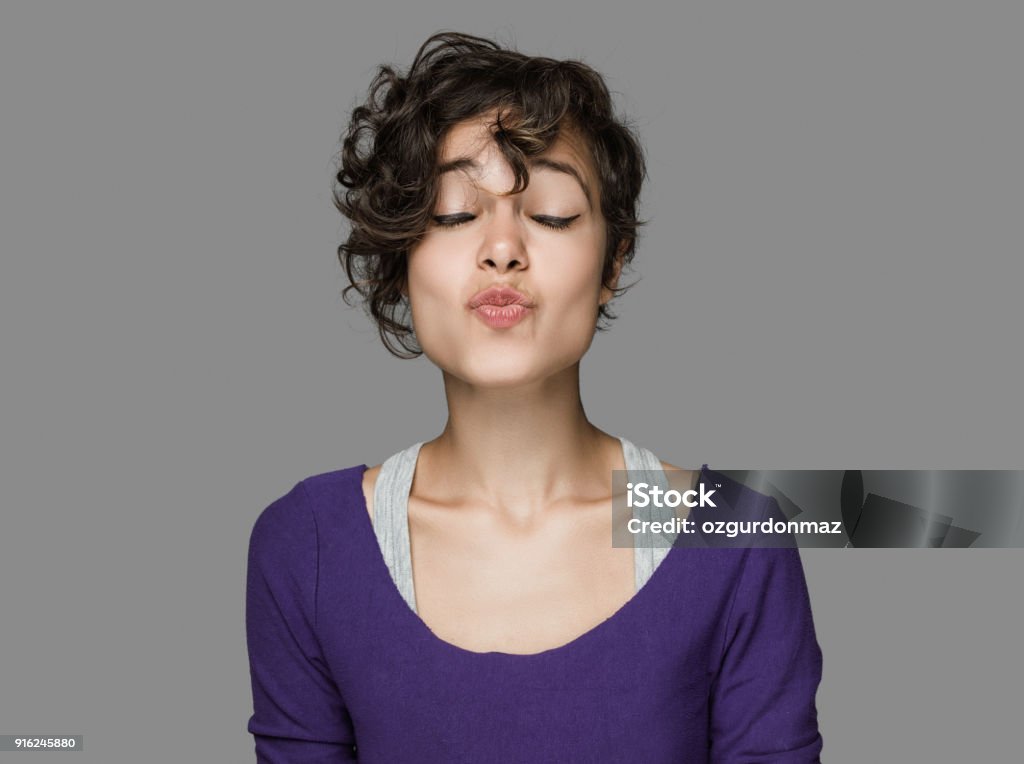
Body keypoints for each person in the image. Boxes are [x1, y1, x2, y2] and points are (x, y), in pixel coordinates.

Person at [245, 31, 824, 762]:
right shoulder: (310, 544)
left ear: (612, 262)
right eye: (456, 213)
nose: (503, 248)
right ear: (399, 260)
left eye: (550, 214)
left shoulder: (736, 537)